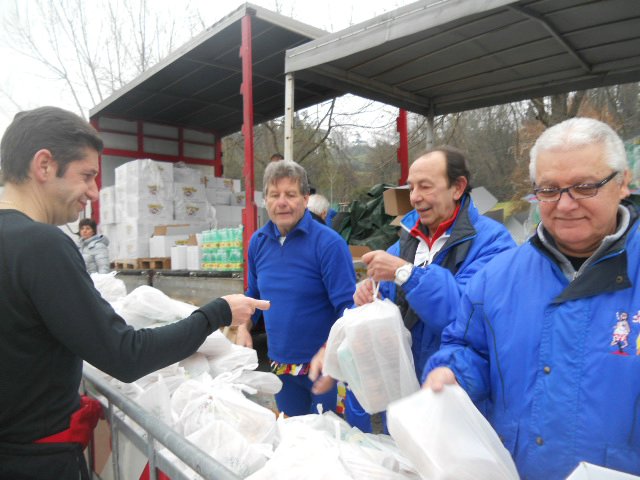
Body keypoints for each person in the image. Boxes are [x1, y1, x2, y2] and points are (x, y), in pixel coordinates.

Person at [0, 106, 270, 480]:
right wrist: (216, 313)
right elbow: (125, 355)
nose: (93, 192)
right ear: (44, 165)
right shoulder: (40, 245)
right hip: (34, 463)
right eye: (87, 175)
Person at [424, 118, 640, 478]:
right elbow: (470, 348)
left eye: (585, 186)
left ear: (622, 183)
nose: (565, 204)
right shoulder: (495, 278)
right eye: (549, 190)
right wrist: (454, 372)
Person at [310, 146, 516, 431]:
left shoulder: (493, 244)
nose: (415, 197)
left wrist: (406, 273)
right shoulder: (406, 241)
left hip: (456, 399)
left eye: (425, 186)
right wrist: (342, 336)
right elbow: (380, 298)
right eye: (411, 187)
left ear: (457, 188)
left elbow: (463, 316)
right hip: (406, 396)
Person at [239, 159, 356, 417]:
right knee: (292, 434)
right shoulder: (258, 242)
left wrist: (328, 353)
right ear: (265, 200)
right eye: (274, 195)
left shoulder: (329, 244)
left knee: (330, 436)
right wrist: (243, 327)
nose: (282, 202)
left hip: (325, 368)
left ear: (305, 199)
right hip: (281, 367)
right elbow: (254, 297)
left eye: (290, 194)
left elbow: (349, 308)